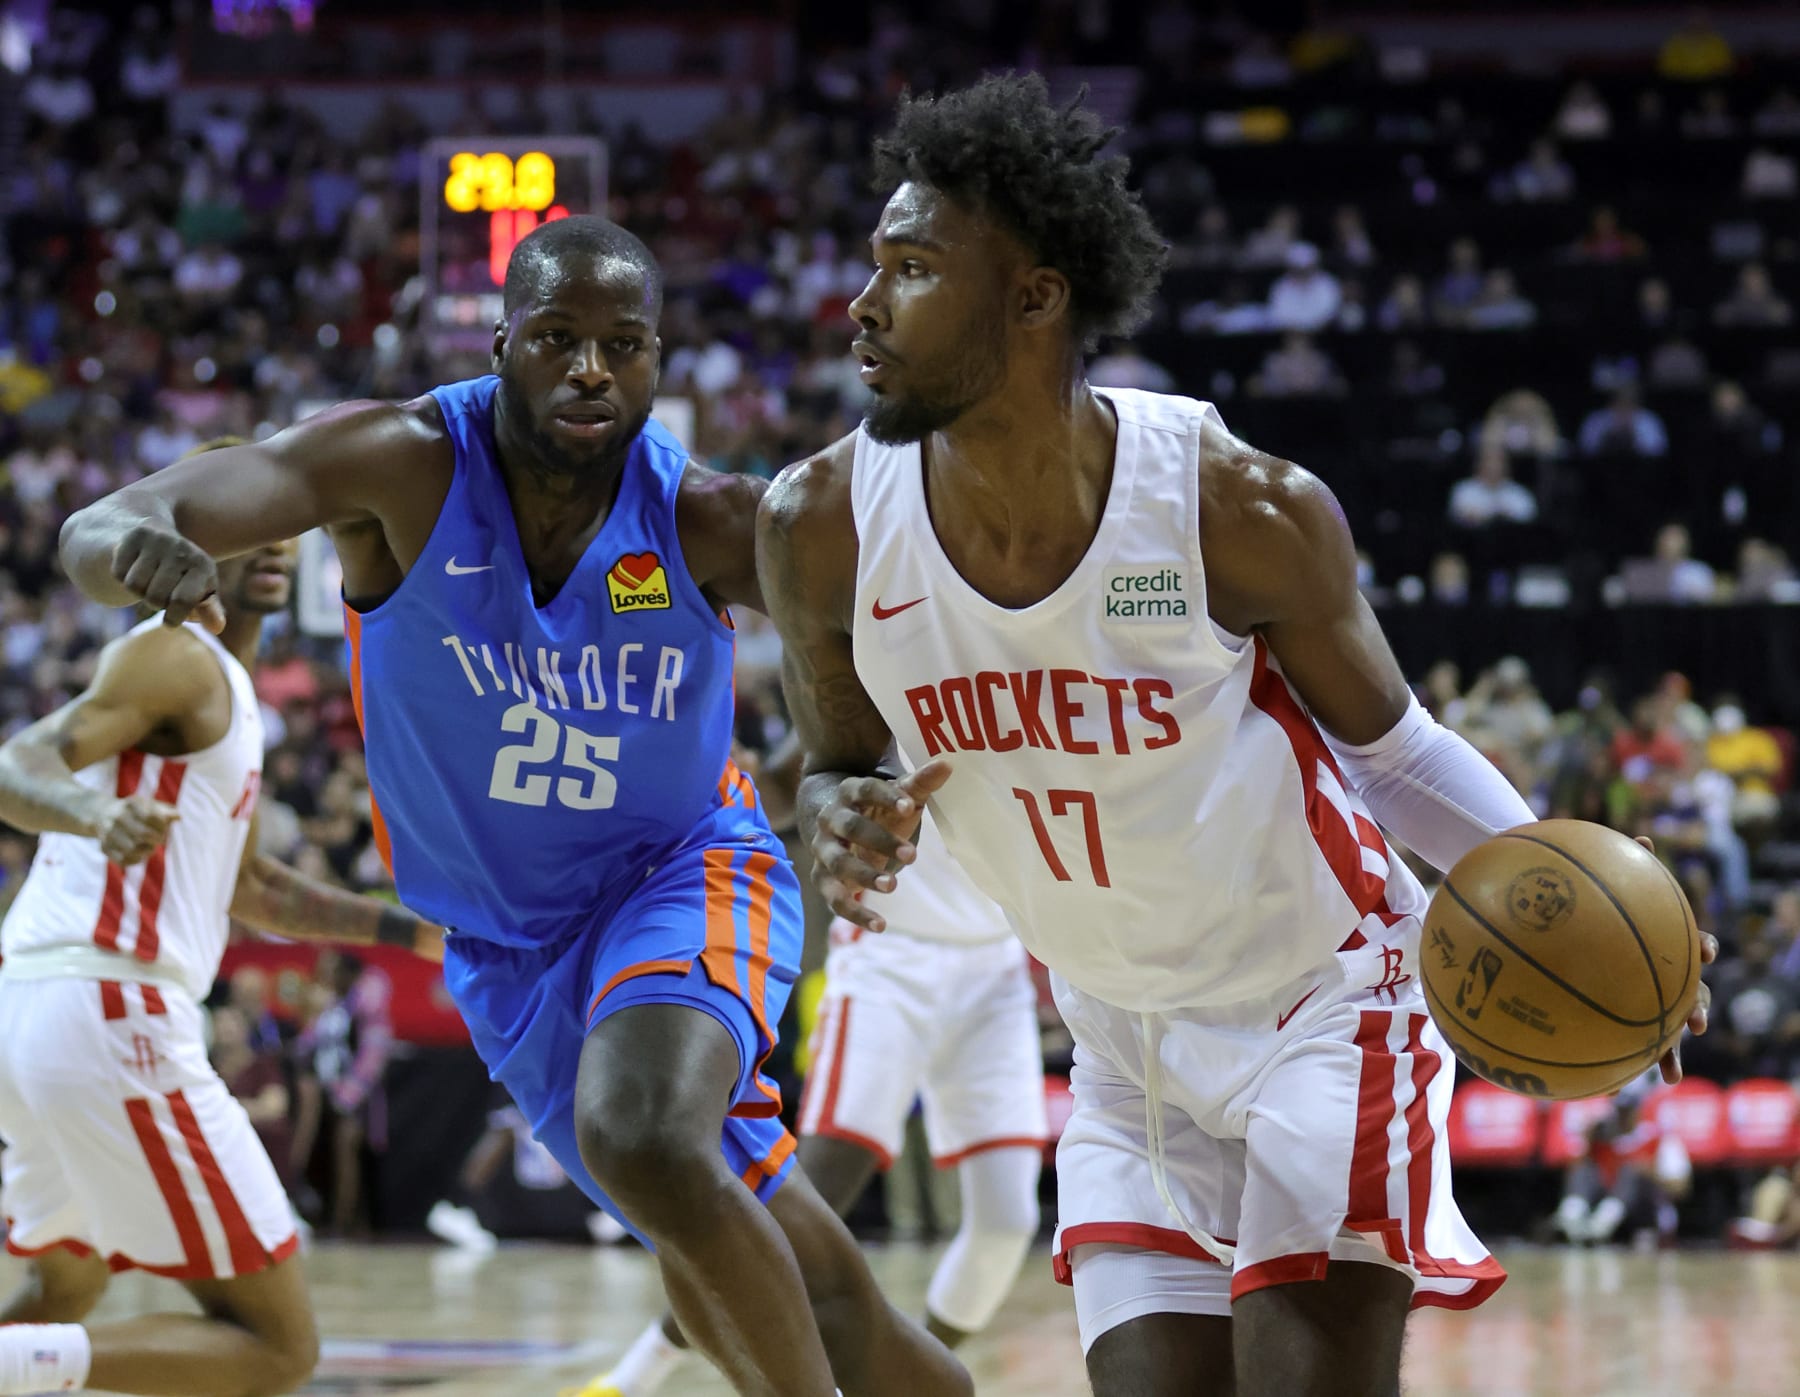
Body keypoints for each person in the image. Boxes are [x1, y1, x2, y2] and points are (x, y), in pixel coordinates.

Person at [754, 74, 1716, 1397]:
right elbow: (839, 765)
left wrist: (1595, 911)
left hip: (1321, 1006)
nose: (864, 307)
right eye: (875, 266)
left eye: (913, 270)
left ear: (1035, 298)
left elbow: (1397, 754)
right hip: (1116, 1042)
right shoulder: (822, 524)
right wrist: (836, 815)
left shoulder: (1233, 507)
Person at [57, 217, 969, 1397]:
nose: (592, 368)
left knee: (642, 1133)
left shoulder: (711, 519)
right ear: (502, 346)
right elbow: (102, 524)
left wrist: (835, 784)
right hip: (512, 949)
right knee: (803, 1270)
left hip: (681, 874)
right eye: (558, 338)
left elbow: (894, 649)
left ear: (656, 361)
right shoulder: (399, 462)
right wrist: (143, 544)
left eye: (624, 345)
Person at [0, 452, 442, 1397]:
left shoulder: (226, 688)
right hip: (107, 1001)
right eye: (246, 520)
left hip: (44, 1003)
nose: (276, 535)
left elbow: (252, 887)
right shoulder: (173, 654)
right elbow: (19, 761)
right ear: (185, 535)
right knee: (276, 1345)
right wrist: (91, 815)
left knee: (63, 1277)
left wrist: (413, 933)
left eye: (283, 520)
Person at [594, 793, 1047, 1396]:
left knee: (1006, 1222)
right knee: (807, 1205)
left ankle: (908, 1373)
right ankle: (634, 1378)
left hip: (996, 968)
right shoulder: (873, 703)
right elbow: (799, 781)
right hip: (889, 956)